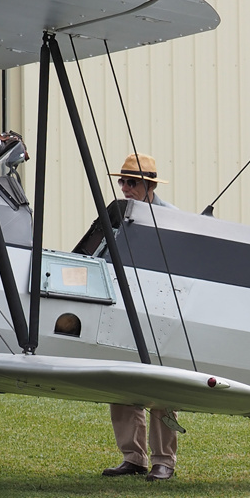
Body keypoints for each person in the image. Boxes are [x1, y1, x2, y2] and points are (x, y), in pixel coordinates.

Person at [101, 152, 179, 481]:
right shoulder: (119, 216)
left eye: (131, 182)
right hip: (125, 309)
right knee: (123, 382)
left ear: (149, 185)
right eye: (122, 181)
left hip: (163, 314)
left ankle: (164, 461)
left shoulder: (174, 220)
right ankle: (134, 457)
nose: (124, 188)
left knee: (162, 386)